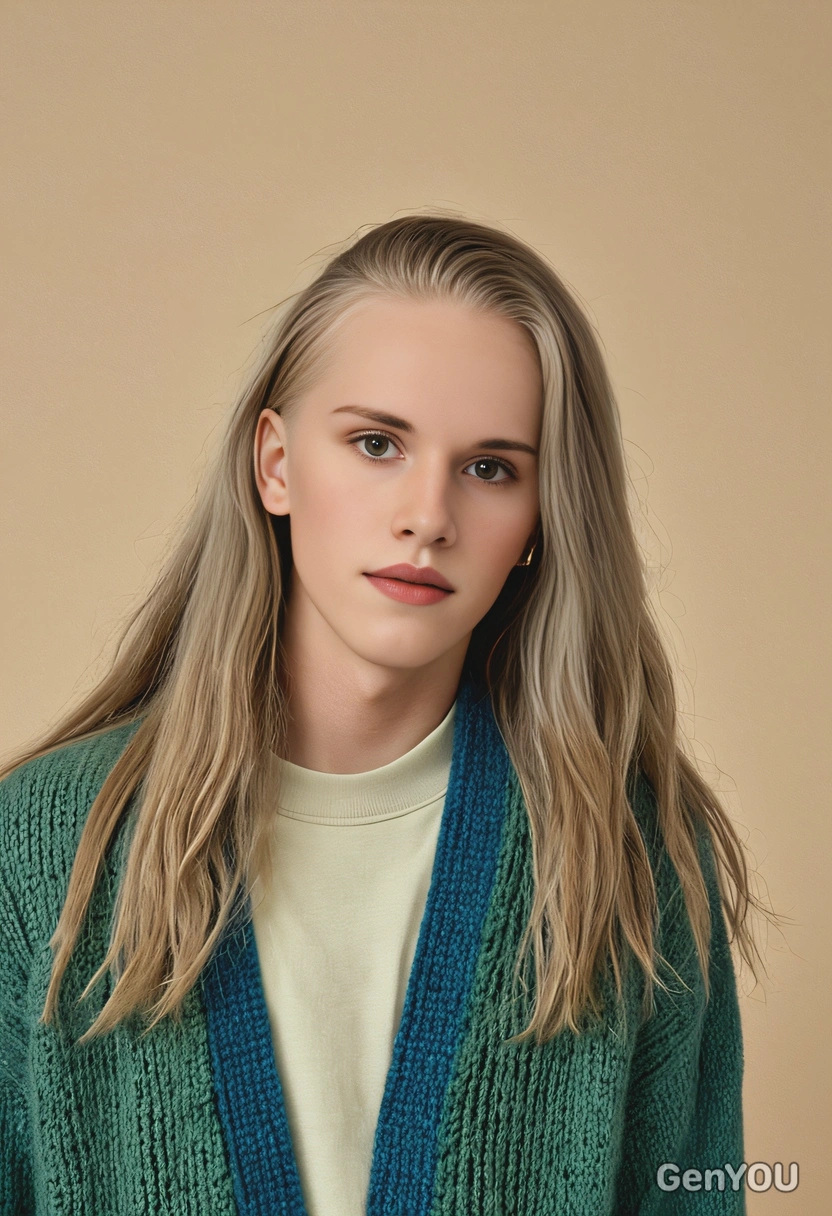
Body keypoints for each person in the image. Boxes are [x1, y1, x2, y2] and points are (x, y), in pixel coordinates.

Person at [0, 213, 767, 1214]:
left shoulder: (633, 856)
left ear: (540, 523)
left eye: (491, 467)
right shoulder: (46, 849)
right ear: (275, 465)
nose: (428, 515)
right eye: (376, 444)